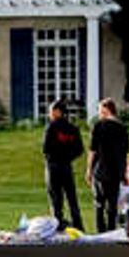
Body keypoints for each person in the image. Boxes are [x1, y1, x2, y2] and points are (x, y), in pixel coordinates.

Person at [86, 98, 129, 233]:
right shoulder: (122, 128)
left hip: (100, 170)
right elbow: (126, 154)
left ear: (106, 110)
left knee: (99, 204)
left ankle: (100, 232)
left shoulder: (98, 126)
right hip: (116, 173)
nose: (99, 113)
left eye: (100, 110)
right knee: (112, 205)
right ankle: (111, 232)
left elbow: (92, 151)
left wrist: (88, 170)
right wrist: (126, 172)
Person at [42, 99, 84, 231]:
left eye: (51, 111)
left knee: (56, 198)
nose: (50, 114)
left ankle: (58, 225)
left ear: (57, 112)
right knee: (72, 197)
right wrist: (68, 157)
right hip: (67, 166)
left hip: (53, 167)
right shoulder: (73, 129)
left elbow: (45, 148)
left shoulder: (51, 127)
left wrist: (55, 157)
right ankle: (78, 226)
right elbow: (79, 149)